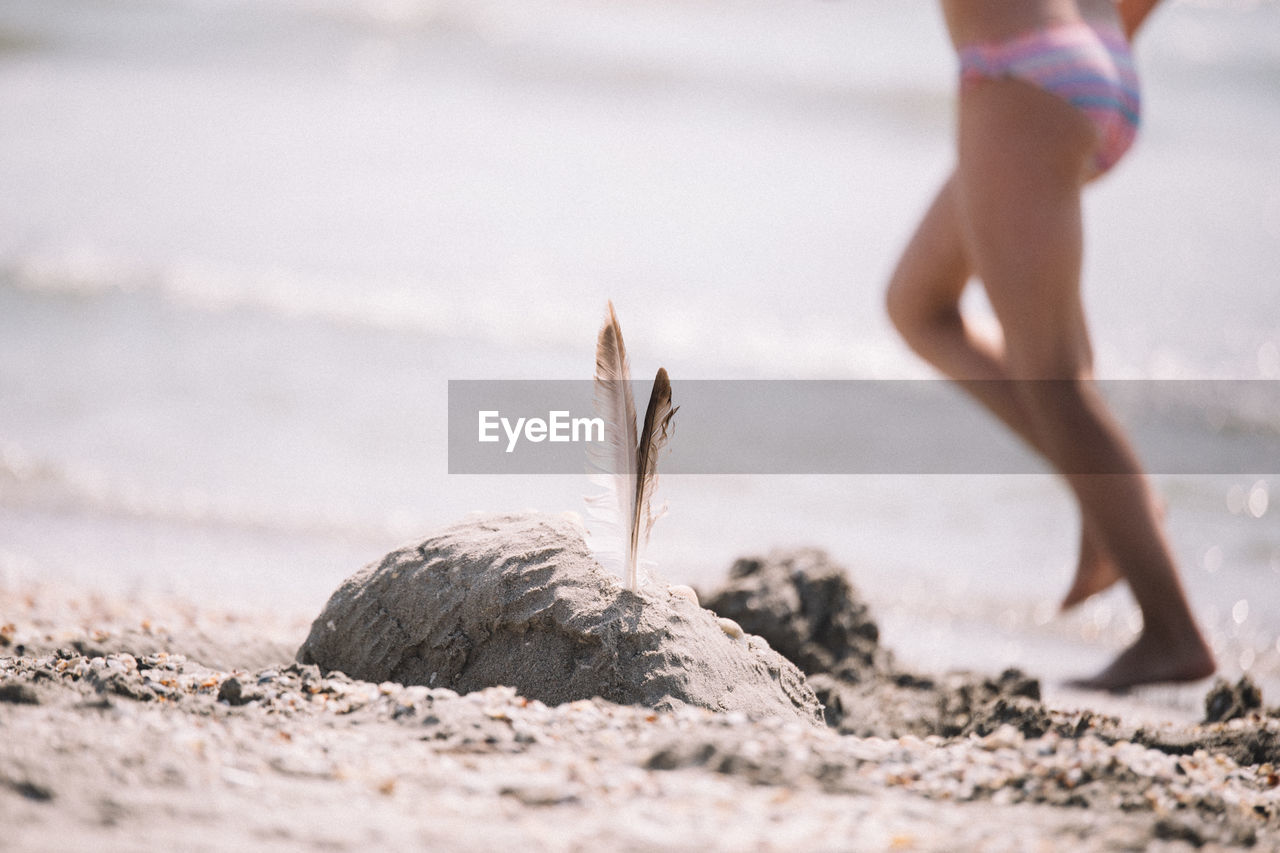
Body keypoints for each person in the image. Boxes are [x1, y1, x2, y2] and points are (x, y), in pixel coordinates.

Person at [884, 0, 1214, 690]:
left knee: (1054, 380)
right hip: (1091, 60)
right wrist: (1099, 51)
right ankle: (1110, 497)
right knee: (918, 304)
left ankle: (1171, 629)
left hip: (1022, 80)